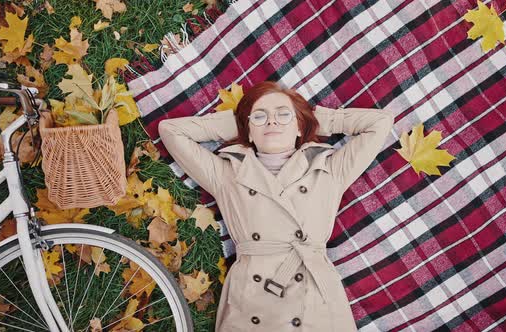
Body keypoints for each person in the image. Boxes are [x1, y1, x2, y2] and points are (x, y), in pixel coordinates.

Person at [158, 81, 394, 331]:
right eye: (260, 116)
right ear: (248, 132)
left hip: (314, 297)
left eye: (283, 114)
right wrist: (239, 122)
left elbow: (379, 123)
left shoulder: (329, 168)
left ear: (298, 127)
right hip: (253, 296)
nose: (272, 121)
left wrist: (314, 119)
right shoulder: (226, 174)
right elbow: (171, 130)